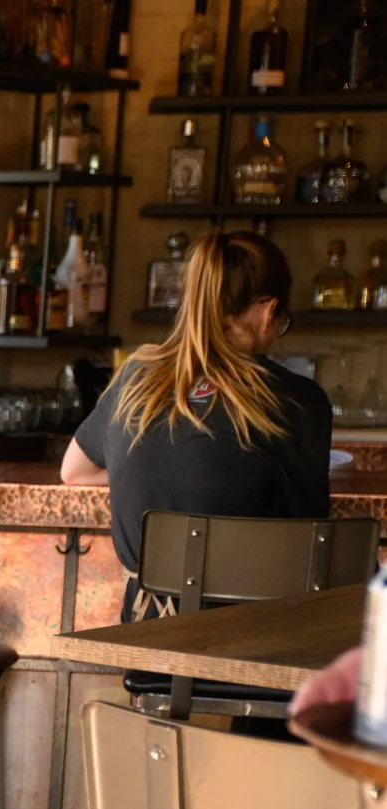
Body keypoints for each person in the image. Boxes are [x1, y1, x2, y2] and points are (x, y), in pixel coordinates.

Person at [60, 230, 333, 606]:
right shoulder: (300, 401)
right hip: (251, 648)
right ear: (268, 310)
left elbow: (74, 471)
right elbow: (311, 539)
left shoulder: (136, 376)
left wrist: (150, 466)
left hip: (146, 645)